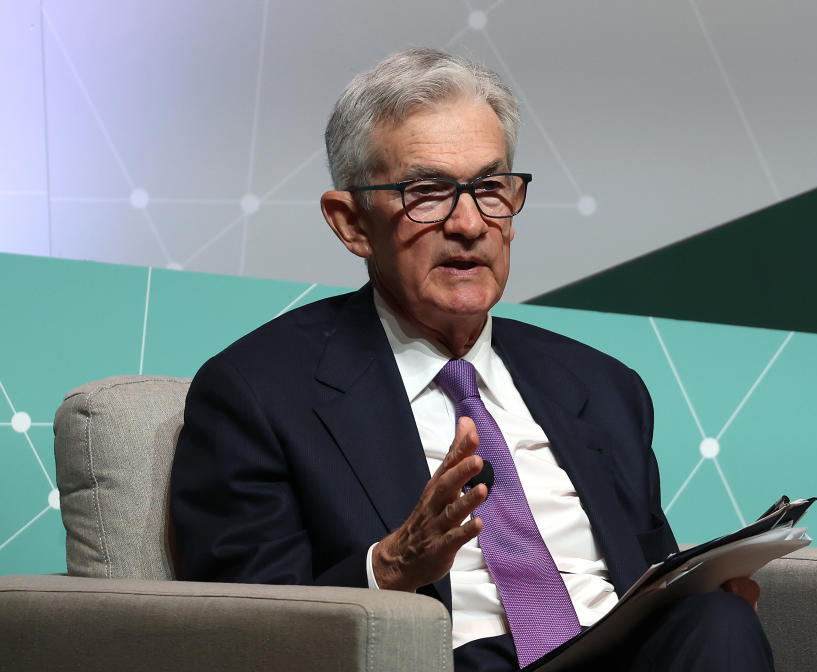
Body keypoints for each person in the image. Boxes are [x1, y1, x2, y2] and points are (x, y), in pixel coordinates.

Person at [170, 48, 774, 671]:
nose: (468, 223)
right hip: (454, 661)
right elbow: (240, 626)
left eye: (489, 189)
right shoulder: (257, 391)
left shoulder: (603, 387)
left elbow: (647, 575)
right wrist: (391, 567)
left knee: (717, 620)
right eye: (425, 193)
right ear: (351, 223)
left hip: (617, 655)